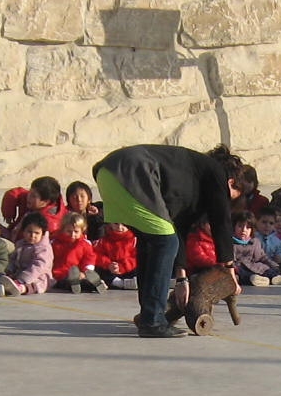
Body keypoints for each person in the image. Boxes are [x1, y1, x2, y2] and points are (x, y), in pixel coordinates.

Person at [92, 144, 237, 337]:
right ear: (231, 182)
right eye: (235, 194)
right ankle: (153, 321)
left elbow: (178, 229)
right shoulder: (217, 172)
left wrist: (181, 280)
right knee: (165, 242)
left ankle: (148, 314)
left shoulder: (190, 178)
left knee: (151, 241)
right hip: (131, 171)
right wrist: (229, 271)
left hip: (107, 173)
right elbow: (222, 221)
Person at [48, 210, 104, 293]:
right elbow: (49, 259)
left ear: (82, 231)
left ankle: (96, 284)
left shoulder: (85, 244)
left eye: (76, 232)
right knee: (64, 283)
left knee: (85, 283)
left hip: (80, 274)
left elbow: (89, 259)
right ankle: (78, 284)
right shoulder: (55, 243)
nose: (72, 234)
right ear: (63, 229)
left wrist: (85, 272)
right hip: (60, 275)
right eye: (69, 231)